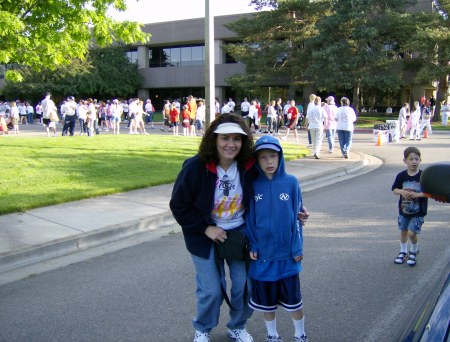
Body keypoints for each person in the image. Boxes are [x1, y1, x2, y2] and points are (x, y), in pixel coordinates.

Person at [170, 114, 256, 342]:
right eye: (225, 138)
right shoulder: (195, 167)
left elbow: (272, 187)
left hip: (239, 233)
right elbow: (179, 205)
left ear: (243, 142)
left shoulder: (249, 166)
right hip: (203, 235)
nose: (231, 144)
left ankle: (237, 326)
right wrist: (206, 228)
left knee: (245, 285)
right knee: (211, 290)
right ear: (214, 139)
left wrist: (295, 208)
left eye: (237, 139)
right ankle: (203, 328)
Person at [246, 135, 309, 342]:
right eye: (263, 158)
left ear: (280, 157)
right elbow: (250, 218)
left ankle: (300, 334)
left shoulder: (291, 183)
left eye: (273, 156)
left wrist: (297, 248)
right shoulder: (254, 185)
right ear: (257, 160)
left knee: (294, 302)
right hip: (263, 256)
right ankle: (272, 335)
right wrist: (253, 244)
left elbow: (298, 219)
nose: (269, 162)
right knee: (267, 303)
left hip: (287, 256)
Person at [392, 147, 428, 266]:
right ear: (405, 161)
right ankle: (403, 252)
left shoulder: (424, 176)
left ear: (420, 160)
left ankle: (414, 250)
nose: (414, 161)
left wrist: (418, 194)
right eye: (411, 159)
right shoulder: (401, 176)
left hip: (418, 210)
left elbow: (429, 192)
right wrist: (402, 192)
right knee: (403, 231)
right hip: (404, 210)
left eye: (416, 159)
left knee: (412, 233)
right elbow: (394, 189)